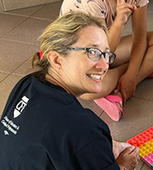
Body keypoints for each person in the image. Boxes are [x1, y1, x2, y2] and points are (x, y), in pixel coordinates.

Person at [0, 12, 140, 170]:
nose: (104, 66)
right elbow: (73, 132)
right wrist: (123, 166)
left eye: (105, 54)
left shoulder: (28, 84)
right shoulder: (83, 127)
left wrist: (101, 144)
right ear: (57, 59)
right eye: (92, 52)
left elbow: (44, 137)